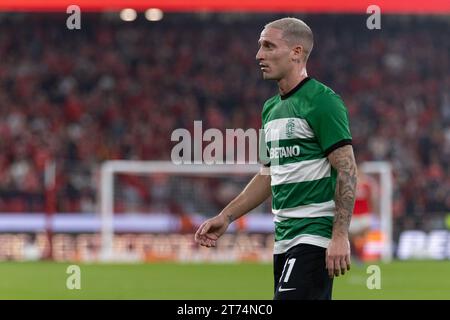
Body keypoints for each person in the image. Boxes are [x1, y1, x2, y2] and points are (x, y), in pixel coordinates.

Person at [194, 17, 357, 300]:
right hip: (283, 238)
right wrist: (226, 216)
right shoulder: (270, 109)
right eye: (259, 46)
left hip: (313, 235)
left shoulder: (322, 101)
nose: (259, 55)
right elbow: (268, 175)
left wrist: (340, 235)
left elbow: (347, 170)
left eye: (269, 46)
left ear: (296, 52)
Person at [349, 169, 378, 261]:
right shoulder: (349, 185)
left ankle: (359, 255)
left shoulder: (367, 185)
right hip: (353, 216)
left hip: (364, 215)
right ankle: (355, 253)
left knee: (364, 234)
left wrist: (373, 212)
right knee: (350, 236)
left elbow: (371, 200)